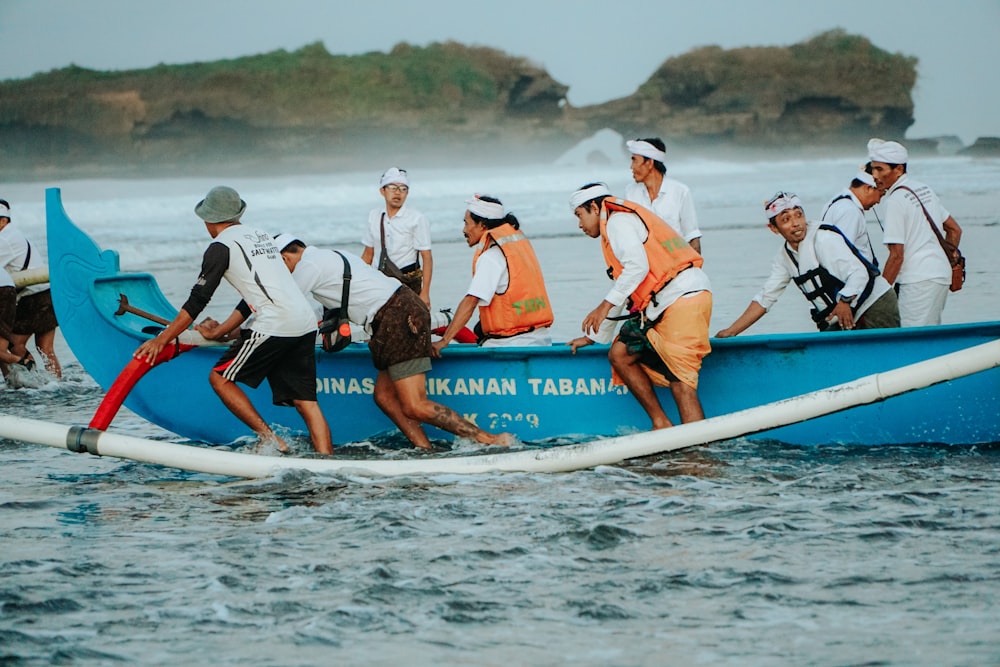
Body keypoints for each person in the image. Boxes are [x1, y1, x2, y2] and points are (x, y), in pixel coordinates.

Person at [134, 186, 332, 455]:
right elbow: (258, 293)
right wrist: (224, 331)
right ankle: (326, 459)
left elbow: (196, 302)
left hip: (275, 324)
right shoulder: (261, 236)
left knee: (220, 379)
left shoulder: (220, 247)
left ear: (209, 221)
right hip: (305, 323)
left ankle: (272, 440)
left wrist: (162, 339)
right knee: (305, 401)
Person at [274, 234, 512, 451]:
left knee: (415, 405)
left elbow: (283, 304)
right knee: (385, 397)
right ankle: (425, 449)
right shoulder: (329, 256)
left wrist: (245, 331)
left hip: (396, 317)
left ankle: (491, 439)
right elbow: (319, 308)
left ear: (285, 258)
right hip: (393, 315)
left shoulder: (307, 266)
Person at [567, 182, 713, 430]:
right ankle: (661, 423)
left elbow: (637, 267)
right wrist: (594, 337)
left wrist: (603, 306)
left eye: (579, 215)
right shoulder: (614, 223)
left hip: (683, 297)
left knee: (681, 381)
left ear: (594, 207)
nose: (579, 224)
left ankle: (700, 455)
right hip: (668, 301)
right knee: (620, 353)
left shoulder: (617, 221)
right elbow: (627, 285)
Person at [715, 192, 899, 337]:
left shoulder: (824, 239)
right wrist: (732, 331)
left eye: (799, 215)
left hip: (875, 303)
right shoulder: (784, 257)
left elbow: (859, 273)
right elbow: (765, 298)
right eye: (786, 220)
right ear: (773, 228)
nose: (796, 224)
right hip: (842, 314)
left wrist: (844, 301)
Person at [432, 195, 553, 351]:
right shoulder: (518, 250)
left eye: (466, 223)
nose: (464, 230)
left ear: (482, 225)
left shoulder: (490, 257)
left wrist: (444, 341)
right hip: (540, 339)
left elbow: (471, 301)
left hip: (511, 344)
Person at [867, 138, 963, 327]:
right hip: (940, 276)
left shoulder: (895, 200)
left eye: (880, 169)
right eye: (872, 169)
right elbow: (954, 230)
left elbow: (896, 256)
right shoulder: (923, 188)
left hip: (917, 280)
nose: (875, 175)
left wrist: (880, 298)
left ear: (899, 170)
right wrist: (945, 259)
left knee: (912, 336)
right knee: (930, 334)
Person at [0, 198, 61, 377]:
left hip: (33, 298)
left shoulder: (4, 240)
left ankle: (35, 380)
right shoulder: (14, 234)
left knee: (15, 343)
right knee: (46, 348)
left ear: (3, 220)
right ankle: (55, 383)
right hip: (48, 294)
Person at [360, 167, 433, 308]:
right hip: (379, 282)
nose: (398, 193)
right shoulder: (374, 216)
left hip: (407, 282)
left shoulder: (417, 219)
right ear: (383, 191)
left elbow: (427, 257)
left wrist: (425, 293)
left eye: (403, 188)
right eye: (393, 187)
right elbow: (368, 255)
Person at [624, 138, 703, 254]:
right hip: (646, 264)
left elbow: (692, 237)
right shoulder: (631, 192)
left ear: (650, 163)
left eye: (634, 160)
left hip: (676, 261)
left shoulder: (680, 191)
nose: (631, 167)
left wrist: (694, 270)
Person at [820, 170, 883, 265]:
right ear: (868, 188)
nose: (878, 201)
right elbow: (842, 256)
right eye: (881, 195)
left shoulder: (835, 201)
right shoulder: (850, 210)